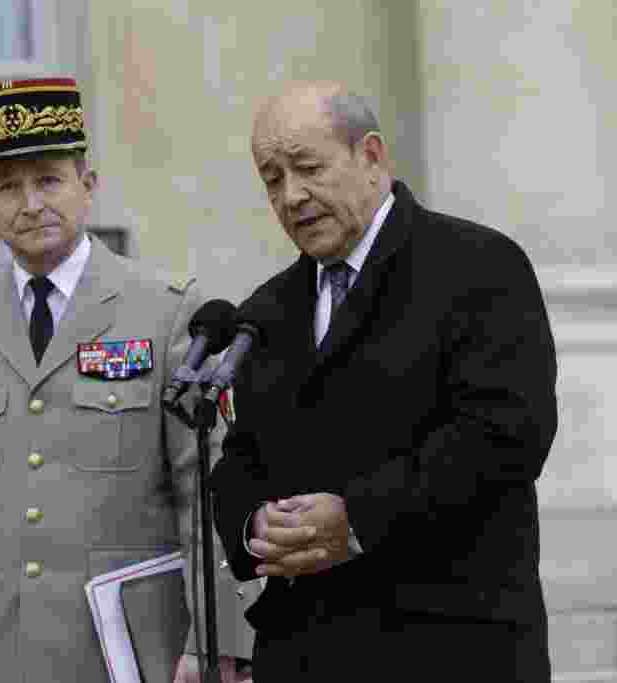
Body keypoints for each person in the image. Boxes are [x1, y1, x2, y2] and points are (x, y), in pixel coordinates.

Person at [0, 77, 256, 683]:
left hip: (124, 649)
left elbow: (203, 491)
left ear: (87, 186)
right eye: (7, 187)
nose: (30, 202)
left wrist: (214, 641)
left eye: (48, 180)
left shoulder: (164, 309)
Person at [209, 81, 558, 681]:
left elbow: (505, 435)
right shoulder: (265, 311)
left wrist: (358, 519)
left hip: (450, 644)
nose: (292, 196)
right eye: (272, 179)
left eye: (308, 168)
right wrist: (255, 525)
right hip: (304, 651)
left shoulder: (477, 265)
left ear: (371, 157)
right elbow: (240, 459)